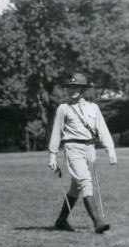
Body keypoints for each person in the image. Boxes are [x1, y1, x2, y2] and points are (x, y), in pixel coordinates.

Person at [48, 73, 117, 233]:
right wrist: (52, 155)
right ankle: (98, 222)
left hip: (90, 150)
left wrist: (110, 148)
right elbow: (56, 133)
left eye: (76, 87)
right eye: (70, 87)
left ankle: (61, 220)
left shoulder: (93, 108)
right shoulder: (63, 108)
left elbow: (102, 129)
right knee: (86, 182)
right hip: (72, 149)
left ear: (82, 89)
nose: (73, 90)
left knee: (76, 187)